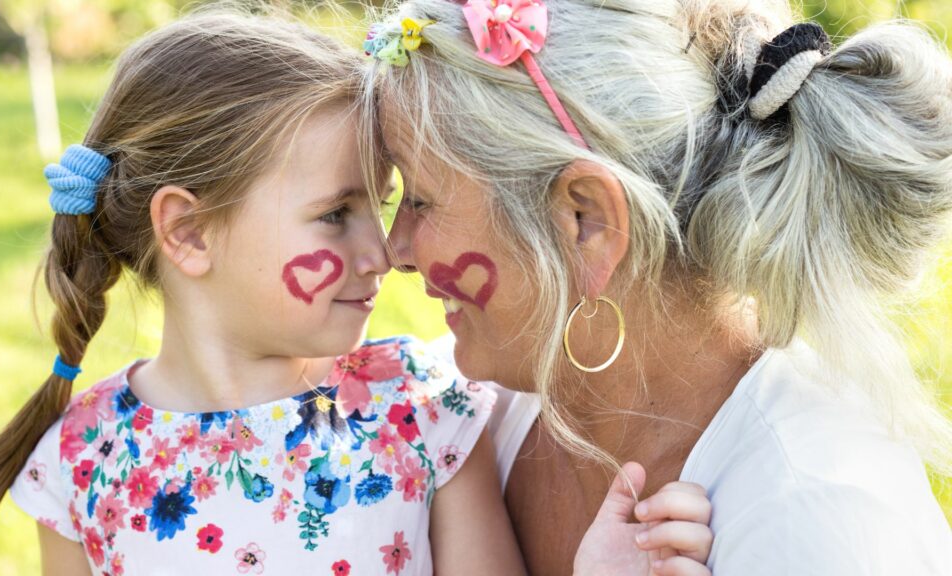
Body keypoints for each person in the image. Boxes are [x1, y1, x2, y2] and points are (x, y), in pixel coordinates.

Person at [0, 10, 715, 576]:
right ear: (187, 232)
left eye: (377, 206)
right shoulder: (81, 461)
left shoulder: (419, 413)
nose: (383, 253)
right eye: (335, 214)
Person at [360, 0, 952, 574]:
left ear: (586, 223)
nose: (396, 249)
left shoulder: (818, 529)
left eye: (418, 199)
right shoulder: (454, 418)